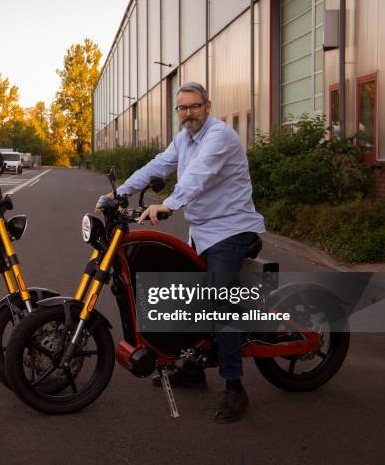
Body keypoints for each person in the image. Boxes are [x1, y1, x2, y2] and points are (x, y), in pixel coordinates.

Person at [97, 82, 265, 423]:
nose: (188, 113)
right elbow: (157, 166)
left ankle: (235, 387)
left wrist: (168, 205)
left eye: (194, 106)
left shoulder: (220, 137)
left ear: (207, 105)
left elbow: (198, 177)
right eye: (182, 108)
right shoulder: (184, 138)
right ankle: (193, 368)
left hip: (231, 229)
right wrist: (120, 194)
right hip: (203, 230)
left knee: (220, 304)